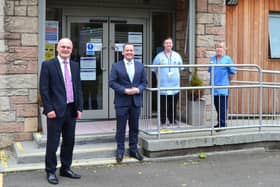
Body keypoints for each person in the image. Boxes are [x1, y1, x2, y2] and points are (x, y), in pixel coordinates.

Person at [39, 38, 83, 185]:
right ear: (57, 48)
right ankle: (50, 171)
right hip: (55, 111)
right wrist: (49, 109)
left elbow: (78, 88)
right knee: (53, 142)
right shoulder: (48, 65)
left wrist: (79, 107)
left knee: (69, 141)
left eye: (68, 47)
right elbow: (44, 90)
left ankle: (65, 168)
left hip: (71, 109)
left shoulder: (75, 66)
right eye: (63, 47)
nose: (65, 49)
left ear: (72, 49)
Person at [109, 43, 147, 163]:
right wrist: (125, 90)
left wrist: (138, 89)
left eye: (131, 50)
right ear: (123, 52)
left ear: (134, 52)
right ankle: (120, 151)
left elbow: (144, 82)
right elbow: (112, 82)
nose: (129, 52)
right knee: (121, 128)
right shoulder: (116, 66)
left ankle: (133, 150)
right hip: (122, 101)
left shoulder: (140, 66)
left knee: (134, 128)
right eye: (127, 50)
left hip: (136, 101)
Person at [152, 37, 183, 125]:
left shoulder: (177, 55)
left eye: (170, 43)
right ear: (163, 45)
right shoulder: (158, 56)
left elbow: (180, 68)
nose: (168, 45)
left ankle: (172, 120)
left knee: (173, 104)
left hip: (174, 86)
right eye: (166, 43)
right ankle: (162, 121)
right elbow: (154, 70)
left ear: (172, 45)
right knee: (163, 105)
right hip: (163, 86)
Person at [208, 42, 236, 131]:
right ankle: (220, 123)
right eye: (217, 47)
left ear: (224, 49)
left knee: (222, 107)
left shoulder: (228, 59)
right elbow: (210, 71)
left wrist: (227, 81)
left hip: (223, 87)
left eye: (221, 47)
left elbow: (232, 73)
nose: (219, 49)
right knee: (217, 105)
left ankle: (222, 124)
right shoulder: (212, 59)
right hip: (214, 87)